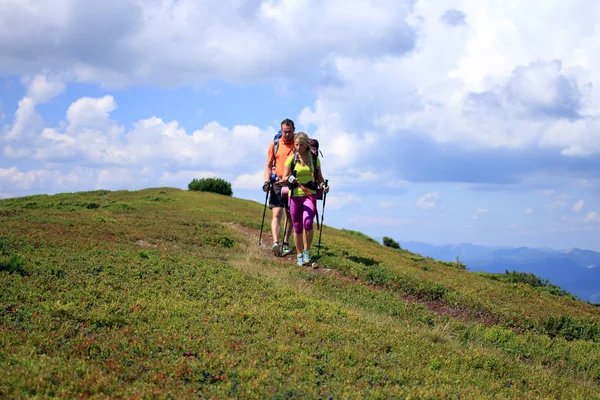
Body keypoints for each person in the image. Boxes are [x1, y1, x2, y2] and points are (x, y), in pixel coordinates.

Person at [282, 132, 329, 266]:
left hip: (310, 194)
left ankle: (307, 252)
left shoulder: (314, 159)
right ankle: (299, 254)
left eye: (301, 145)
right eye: (296, 144)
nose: (298, 147)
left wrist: (323, 186)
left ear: (307, 145)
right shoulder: (291, 159)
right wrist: (291, 179)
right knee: (297, 226)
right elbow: (284, 178)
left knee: (308, 222)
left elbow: (320, 177)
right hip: (294, 195)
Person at [263, 118, 295, 256]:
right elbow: (269, 165)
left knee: (290, 215)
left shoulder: (298, 145)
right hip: (277, 183)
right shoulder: (274, 145)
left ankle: (286, 242)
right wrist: (266, 180)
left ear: (294, 130)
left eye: (289, 132)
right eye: (284, 132)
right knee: (277, 213)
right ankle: (276, 243)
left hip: (292, 184)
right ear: (281, 131)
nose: (287, 134)